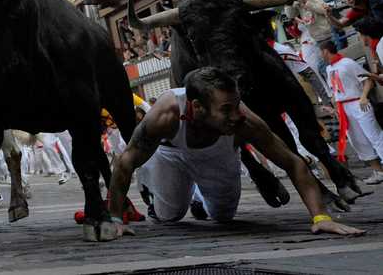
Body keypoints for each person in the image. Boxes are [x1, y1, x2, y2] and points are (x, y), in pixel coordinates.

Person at [104, 67, 364, 240]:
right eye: (227, 109)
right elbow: (126, 162)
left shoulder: (244, 121)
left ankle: (199, 197)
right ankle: (161, 192)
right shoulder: (165, 114)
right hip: (171, 156)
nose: (236, 114)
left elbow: (293, 163)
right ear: (196, 107)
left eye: (237, 104)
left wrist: (321, 217)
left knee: (223, 216)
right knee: (169, 216)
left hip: (218, 156)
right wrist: (115, 217)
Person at [320, 40, 383, 184]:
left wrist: (363, 97)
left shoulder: (347, 63)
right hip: (344, 109)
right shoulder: (329, 69)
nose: (320, 55)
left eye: (320, 52)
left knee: (374, 135)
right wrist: (334, 109)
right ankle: (378, 171)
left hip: (358, 103)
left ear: (325, 51)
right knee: (357, 140)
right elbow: (335, 92)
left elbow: (367, 79)